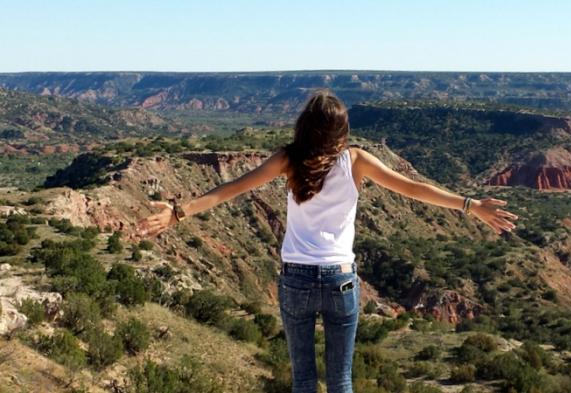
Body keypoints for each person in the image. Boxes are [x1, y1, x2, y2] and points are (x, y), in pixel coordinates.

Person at [138, 89, 518, 393]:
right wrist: (471, 205)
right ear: (341, 132)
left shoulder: (288, 159)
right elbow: (415, 190)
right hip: (341, 280)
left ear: (305, 126)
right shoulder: (356, 161)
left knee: (303, 381)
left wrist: (177, 212)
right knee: (341, 382)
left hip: (297, 280)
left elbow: (232, 189)